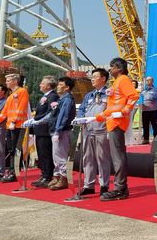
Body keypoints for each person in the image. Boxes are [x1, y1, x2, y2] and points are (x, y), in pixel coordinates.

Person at [74, 57, 137, 201]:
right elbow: (111, 107)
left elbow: (134, 96)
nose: (110, 69)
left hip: (117, 123)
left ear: (119, 68)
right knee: (115, 157)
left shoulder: (123, 80)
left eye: (112, 67)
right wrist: (97, 117)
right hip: (111, 122)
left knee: (117, 158)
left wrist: (124, 111)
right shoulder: (117, 83)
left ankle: (120, 188)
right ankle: (119, 187)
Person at [0, 73, 29, 183]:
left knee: (14, 150)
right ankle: (11, 172)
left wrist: (13, 120)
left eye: (8, 80)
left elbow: (21, 108)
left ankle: (13, 173)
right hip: (10, 126)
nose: (6, 82)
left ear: (15, 81)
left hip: (17, 125)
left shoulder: (22, 92)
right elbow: (4, 114)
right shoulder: (11, 96)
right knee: (11, 150)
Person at [76, 68, 111, 197]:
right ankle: (88, 185)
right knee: (88, 158)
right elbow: (82, 109)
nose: (92, 79)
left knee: (102, 158)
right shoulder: (89, 95)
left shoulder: (108, 94)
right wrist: (80, 118)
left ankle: (104, 185)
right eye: (92, 76)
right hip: (88, 130)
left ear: (103, 79)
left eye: (95, 76)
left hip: (101, 130)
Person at [47, 76, 76, 191]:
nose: (58, 87)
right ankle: (57, 175)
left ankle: (64, 178)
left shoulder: (67, 99)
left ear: (67, 88)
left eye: (60, 85)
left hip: (62, 131)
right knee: (56, 156)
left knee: (61, 156)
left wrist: (58, 131)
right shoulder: (61, 99)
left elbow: (63, 116)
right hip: (57, 130)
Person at [30, 76, 59, 188]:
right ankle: (43, 175)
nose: (40, 85)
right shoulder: (44, 96)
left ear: (48, 85)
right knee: (41, 154)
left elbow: (51, 112)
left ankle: (48, 176)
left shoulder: (53, 96)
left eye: (42, 83)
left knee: (46, 154)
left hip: (46, 129)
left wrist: (38, 120)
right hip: (40, 130)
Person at [140, 76, 157, 144]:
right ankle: (146, 139)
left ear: (152, 81)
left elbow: (153, 97)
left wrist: (147, 92)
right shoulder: (143, 90)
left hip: (152, 110)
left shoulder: (155, 89)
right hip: (144, 110)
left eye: (149, 80)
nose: (148, 81)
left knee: (155, 125)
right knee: (145, 125)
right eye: (147, 80)